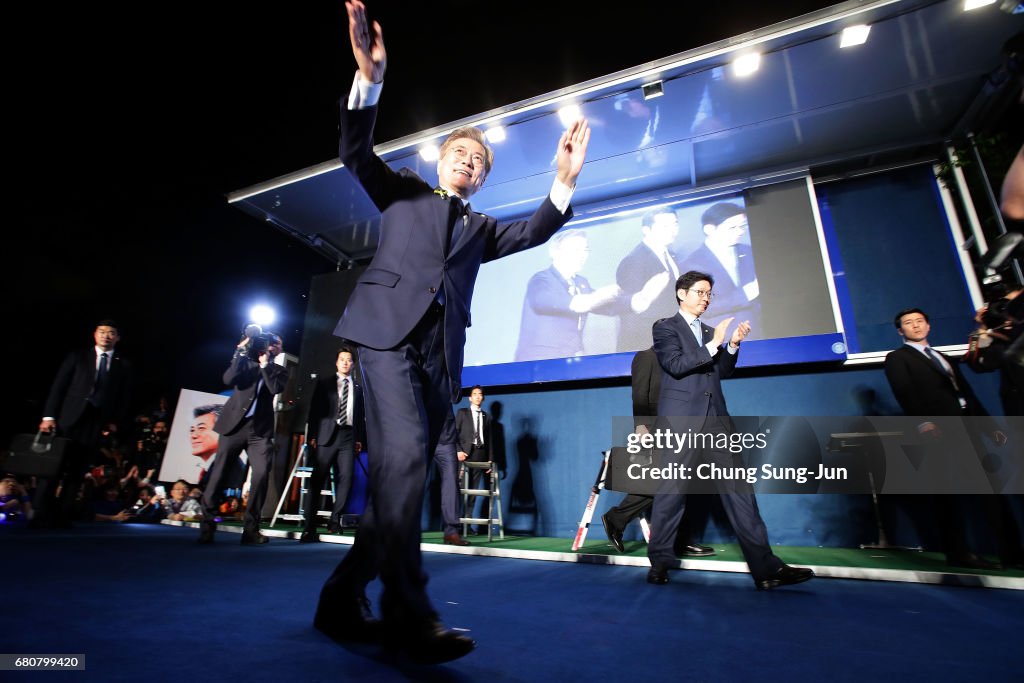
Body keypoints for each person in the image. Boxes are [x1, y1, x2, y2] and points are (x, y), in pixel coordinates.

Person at [313, 1, 590, 665]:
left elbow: (538, 230)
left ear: (485, 177)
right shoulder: (403, 192)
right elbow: (354, 149)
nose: (468, 162)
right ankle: (410, 611)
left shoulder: (484, 229)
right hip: (383, 339)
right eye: (459, 153)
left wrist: (564, 181)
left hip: (440, 361)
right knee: (406, 457)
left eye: (479, 161)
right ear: (440, 160)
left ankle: (339, 598)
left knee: (397, 490)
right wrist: (369, 79)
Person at [646, 271, 814, 590]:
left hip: (717, 421)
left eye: (710, 294)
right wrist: (712, 345)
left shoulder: (713, 331)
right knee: (671, 493)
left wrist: (732, 346)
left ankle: (765, 569)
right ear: (681, 294)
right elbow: (676, 365)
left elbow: (720, 371)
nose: (706, 298)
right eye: (700, 292)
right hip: (681, 420)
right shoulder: (665, 327)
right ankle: (660, 563)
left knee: (741, 495)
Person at [884, 307, 1021, 569]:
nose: (916, 326)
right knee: (950, 495)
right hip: (940, 433)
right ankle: (959, 552)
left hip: (968, 428)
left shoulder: (944, 357)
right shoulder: (898, 358)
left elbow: (966, 394)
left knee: (991, 493)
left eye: (920, 321)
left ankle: (1012, 552)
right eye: (909, 323)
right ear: (900, 330)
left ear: (929, 326)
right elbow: (905, 393)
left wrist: (990, 427)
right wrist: (924, 423)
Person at [601, 347, 714, 557]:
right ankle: (677, 540)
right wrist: (641, 426)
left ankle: (618, 519)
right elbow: (639, 393)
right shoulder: (646, 357)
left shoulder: (680, 361)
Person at [38, 320, 132, 527]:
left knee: (78, 471)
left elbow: (122, 397)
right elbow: (59, 387)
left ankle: (63, 516)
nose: (106, 335)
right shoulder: (78, 357)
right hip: (67, 420)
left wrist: (114, 421)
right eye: (102, 331)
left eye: (111, 333)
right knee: (52, 468)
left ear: (117, 338)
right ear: (94, 334)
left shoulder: (122, 364)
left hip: (95, 423)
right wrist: (48, 416)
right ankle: (40, 515)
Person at [198, 332, 288, 546]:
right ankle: (207, 527)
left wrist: (266, 366)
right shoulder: (244, 363)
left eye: (277, 345)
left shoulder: (278, 371)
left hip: (260, 431)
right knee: (219, 474)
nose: (273, 346)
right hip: (234, 426)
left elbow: (275, 388)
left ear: (279, 350)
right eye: (271, 343)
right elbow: (228, 379)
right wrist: (240, 350)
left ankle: (251, 530)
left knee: (261, 473)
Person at [514, 229, 621, 361]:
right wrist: (607, 292)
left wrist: (634, 299)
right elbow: (546, 302)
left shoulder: (581, 283)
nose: (582, 255)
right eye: (575, 250)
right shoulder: (541, 280)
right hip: (540, 364)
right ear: (554, 252)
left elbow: (606, 306)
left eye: (585, 250)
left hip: (571, 362)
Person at [300, 347, 366, 543]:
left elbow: (360, 417)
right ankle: (309, 527)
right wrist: (312, 435)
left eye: (349, 360)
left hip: (348, 437)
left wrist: (359, 438)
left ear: (353, 364)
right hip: (327, 435)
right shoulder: (325, 384)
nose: (345, 362)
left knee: (346, 478)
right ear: (337, 363)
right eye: (342, 359)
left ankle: (334, 520)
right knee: (317, 480)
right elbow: (314, 411)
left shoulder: (358, 388)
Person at [681, 203, 761, 335]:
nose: (740, 231)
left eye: (742, 226)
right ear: (709, 229)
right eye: (732, 227)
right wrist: (746, 294)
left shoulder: (748, 251)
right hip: (722, 339)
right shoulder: (691, 264)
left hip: (759, 334)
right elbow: (699, 306)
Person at [615, 209, 684, 352]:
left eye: (675, 224)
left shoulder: (671, 254)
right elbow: (632, 313)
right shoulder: (634, 260)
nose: (672, 230)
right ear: (646, 230)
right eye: (665, 226)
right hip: (649, 347)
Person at [455, 385, 494, 537]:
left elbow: (490, 439)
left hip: (480, 455)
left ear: (483, 398)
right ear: (470, 398)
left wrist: (490, 459)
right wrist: (458, 450)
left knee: (473, 492)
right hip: (464, 455)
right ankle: (455, 525)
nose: (478, 396)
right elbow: (454, 433)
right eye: (475, 394)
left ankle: (468, 525)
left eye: (480, 394)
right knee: (460, 491)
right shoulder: (462, 413)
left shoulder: (486, 416)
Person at [188, 405, 222, 486]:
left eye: (201, 428)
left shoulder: (226, 466)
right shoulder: (210, 466)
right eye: (192, 430)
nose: (194, 435)